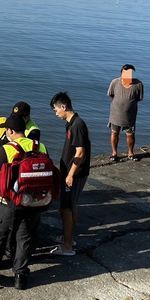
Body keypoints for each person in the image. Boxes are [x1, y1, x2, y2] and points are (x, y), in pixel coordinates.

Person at [0, 115, 50, 290]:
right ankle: (20, 275)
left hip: (9, 201)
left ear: (10, 131)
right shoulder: (40, 146)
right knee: (24, 237)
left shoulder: (7, 149)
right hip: (33, 201)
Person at [50, 92, 91, 256]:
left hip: (75, 174)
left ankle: (67, 246)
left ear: (63, 106)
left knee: (67, 208)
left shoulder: (77, 125)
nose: (55, 113)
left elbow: (80, 153)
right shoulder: (71, 123)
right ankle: (68, 237)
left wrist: (70, 175)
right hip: (69, 172)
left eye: (55, 110)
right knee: (70, 205)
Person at [108, 64, 144, 161]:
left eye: (130, 73)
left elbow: (139, 98)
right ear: (122, 73)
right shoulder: (115, 82)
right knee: (114, 133)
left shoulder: (138, 85)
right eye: (125, 73)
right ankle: (114, 153)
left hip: (130, 116)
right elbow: (111, 95)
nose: (128, 75)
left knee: (130, 134)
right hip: (115, 114)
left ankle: (130, 153)